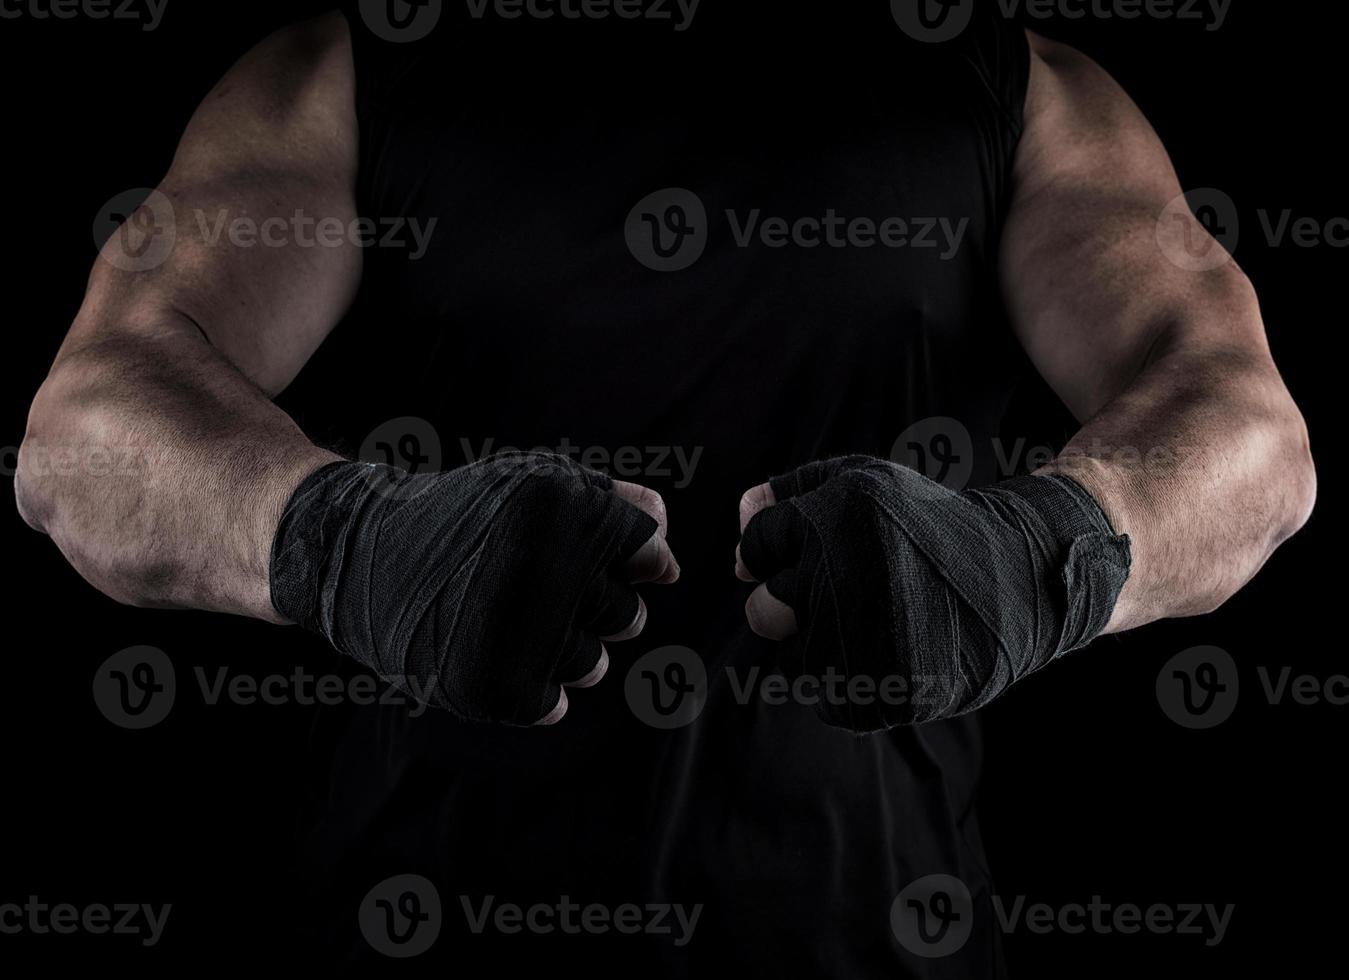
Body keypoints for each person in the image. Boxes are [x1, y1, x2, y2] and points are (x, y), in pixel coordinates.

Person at [14, 2, 1314, 974]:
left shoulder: (1006, 89)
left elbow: (1247, 427)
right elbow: (84, 433)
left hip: (869, 939)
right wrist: (343, 541)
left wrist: (1044, 555)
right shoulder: (345, 77)